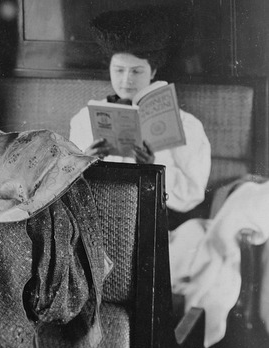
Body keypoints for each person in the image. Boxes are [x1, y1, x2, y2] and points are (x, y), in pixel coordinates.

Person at [68, 6, 211, 216]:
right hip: (99, 218)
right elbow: (69, 186)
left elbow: (192, 194)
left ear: (152, 71)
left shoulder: (187, 125)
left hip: (158, 221)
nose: (126, 80)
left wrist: (155, 166)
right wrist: (84, 162)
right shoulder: (84, 119)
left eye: (136, 71)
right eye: (118, 70)